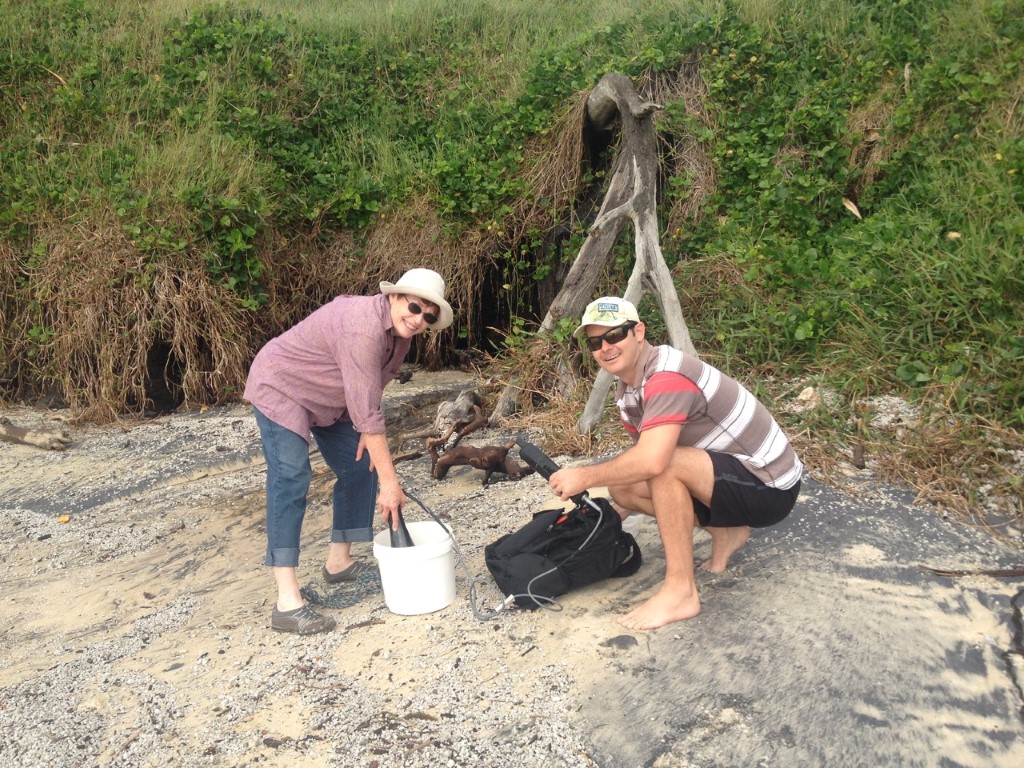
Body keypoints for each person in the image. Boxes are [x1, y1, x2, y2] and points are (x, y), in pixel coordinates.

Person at [547, 297, 802, 630]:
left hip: (770, 484)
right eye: (595, 342)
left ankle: (681, 592)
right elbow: (638, 465)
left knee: (662, 465)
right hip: (730, 475)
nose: (605, 347)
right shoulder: (627, 389)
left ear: (639, 332)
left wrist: (584, 476)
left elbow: (654, 461)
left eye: (615, 335)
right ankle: (726, 532)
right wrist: (613, 508)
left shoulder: (666, 374)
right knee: (623, 485)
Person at [244, 268, 454, 635]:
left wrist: (363, 427)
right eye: (415, 307)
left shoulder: (400, 334)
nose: (419, 319)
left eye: (429, 316)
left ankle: (338, 564)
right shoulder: (362, 328)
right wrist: (391, 485)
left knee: (362, 465)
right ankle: (287, 602)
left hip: (331, 399)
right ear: (394, 297)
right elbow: (369, 415)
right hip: (282, 386)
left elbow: (373, 388)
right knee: (292, 477)